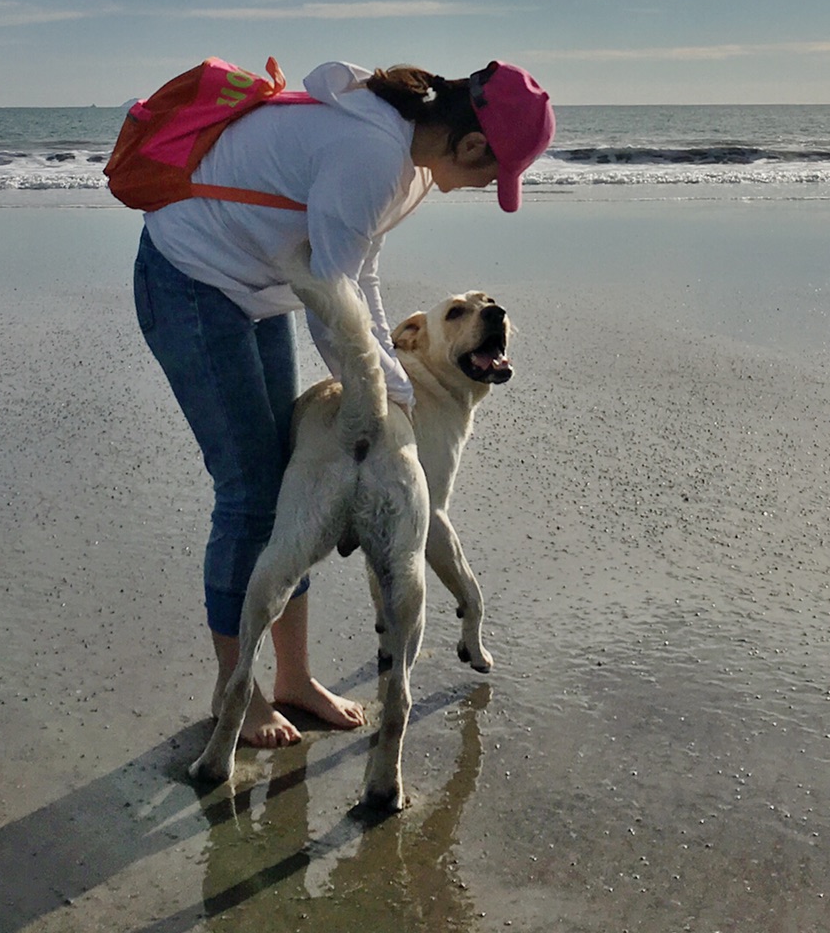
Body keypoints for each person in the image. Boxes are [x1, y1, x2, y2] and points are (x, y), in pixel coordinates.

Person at [134, 59, 554, 749]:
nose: (483, 187)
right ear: (473, 145)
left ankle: (294, 679)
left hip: (263, 286)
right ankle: (234, 690)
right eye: (492, 177)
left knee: (282, 487)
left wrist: (390, 383)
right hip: (192, 280)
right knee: (247, 493)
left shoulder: (408, 159)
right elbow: (334, 307)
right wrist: (390, 399)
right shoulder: (371, 153)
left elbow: (360, 277)